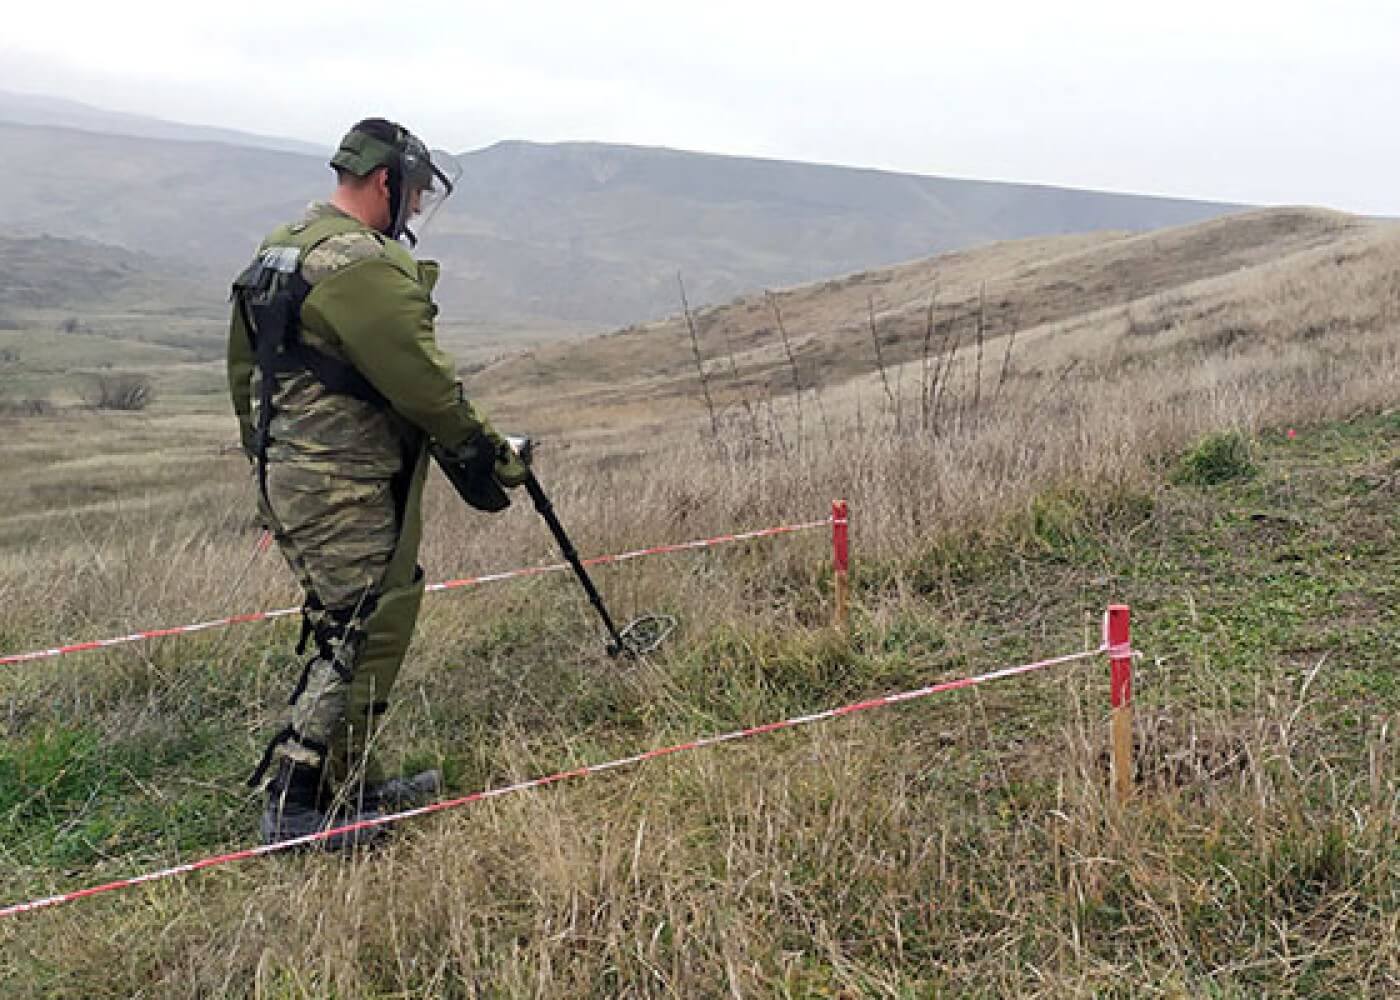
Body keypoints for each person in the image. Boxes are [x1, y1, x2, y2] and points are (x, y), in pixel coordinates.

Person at [227, 117, 528, 848]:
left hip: (297, 473)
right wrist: (487, 454)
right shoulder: (358, 264)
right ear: (386, 181)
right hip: (340, 482)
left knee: (363, 616)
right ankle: (294, 803)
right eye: (415, 193)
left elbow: (245, 375)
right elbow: (424, 384)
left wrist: (270, 462)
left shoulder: (286, 245)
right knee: (359, 627)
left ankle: (354, 783)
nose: (417, 210)